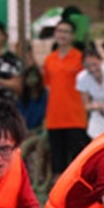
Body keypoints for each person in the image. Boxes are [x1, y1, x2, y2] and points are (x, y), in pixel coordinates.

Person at [44, 19, 90, 178]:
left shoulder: (80, 58)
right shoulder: (49, 59)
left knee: (78, 164)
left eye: (66, 32)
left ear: (73, 36)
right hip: (54, 119)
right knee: (58, 165)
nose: (62, 35)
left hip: (75, 118)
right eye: (59, 31)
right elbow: (48, 87)